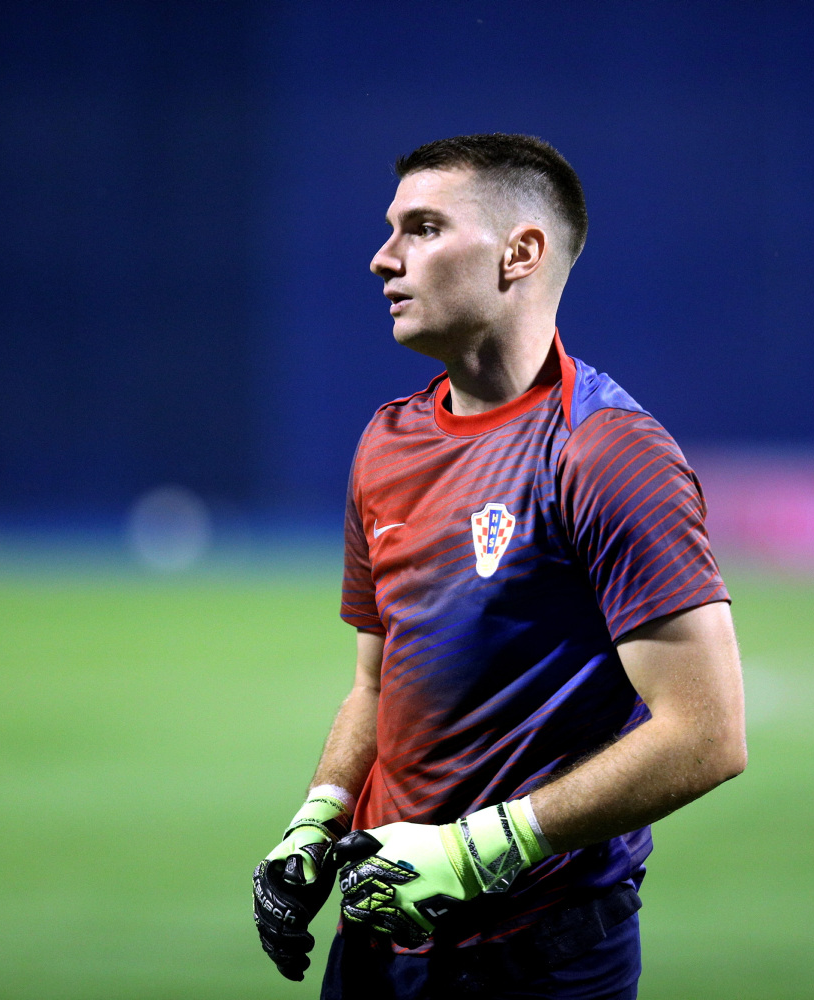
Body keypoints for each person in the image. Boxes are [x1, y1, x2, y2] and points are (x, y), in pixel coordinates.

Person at [250, 133, 746, 999]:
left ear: (520, 254)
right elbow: (375, 685)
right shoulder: (386, 441)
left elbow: (706, 735)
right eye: (392, 230)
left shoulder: (606, 454)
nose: (382, 259)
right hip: (377, 942)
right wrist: (317, 819)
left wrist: (475, 852)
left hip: (539, 957)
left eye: (423, 228)